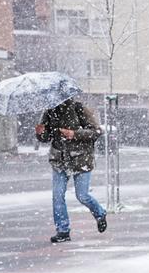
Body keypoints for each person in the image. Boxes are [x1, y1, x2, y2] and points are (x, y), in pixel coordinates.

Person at [35, 98, 107, 243]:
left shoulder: (78, 108)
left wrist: (74, 134)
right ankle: (63, 230)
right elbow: (47, 137)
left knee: (82, 196)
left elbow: (96, 131)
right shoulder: (49, 112)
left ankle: (100, 214)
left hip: (81, 160)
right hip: (59, 161)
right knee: (57, 196)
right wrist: (40, 133)